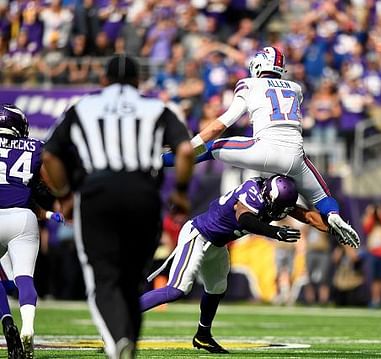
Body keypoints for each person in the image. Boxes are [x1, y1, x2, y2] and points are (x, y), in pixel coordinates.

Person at [41, 55, 195, 359]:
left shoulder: (82, 107)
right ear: (138, 81)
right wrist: (179, 192)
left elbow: (49, 157)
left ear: (103, 80)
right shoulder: (157, 107)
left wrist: (65, 195)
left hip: (98, 193)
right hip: (144, 196)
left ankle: (117, 342)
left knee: (103, 278)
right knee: (131, 279)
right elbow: (186, 150)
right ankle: (128, 344)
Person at [162, 46, 360, 249]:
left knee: (212, 147)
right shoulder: (295, 88)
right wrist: (331, 212)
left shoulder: (249, 84)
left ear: (258, 64)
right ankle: (334, 216)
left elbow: (220, 125)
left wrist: (188, 146)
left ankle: (161, 160)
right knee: (324, 198)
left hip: (264, 149)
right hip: (295, 158)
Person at [141, 174, 330, 354]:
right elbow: (244, 218)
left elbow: (307, 217)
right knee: (177, 289)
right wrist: (275, 232)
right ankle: (124, 313)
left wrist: (335, 225)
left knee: (216, 289)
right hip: (198, 235)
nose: (281, 212)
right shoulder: (252, 192)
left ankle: (203, 335)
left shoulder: (276, 199)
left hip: (217, 245)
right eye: (279, 206)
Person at [0, 104, 65, 359]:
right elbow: (50, 183)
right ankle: (27, 326)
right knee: (25, 277)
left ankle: (6, 321)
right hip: (23, 219)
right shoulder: (35, 147)